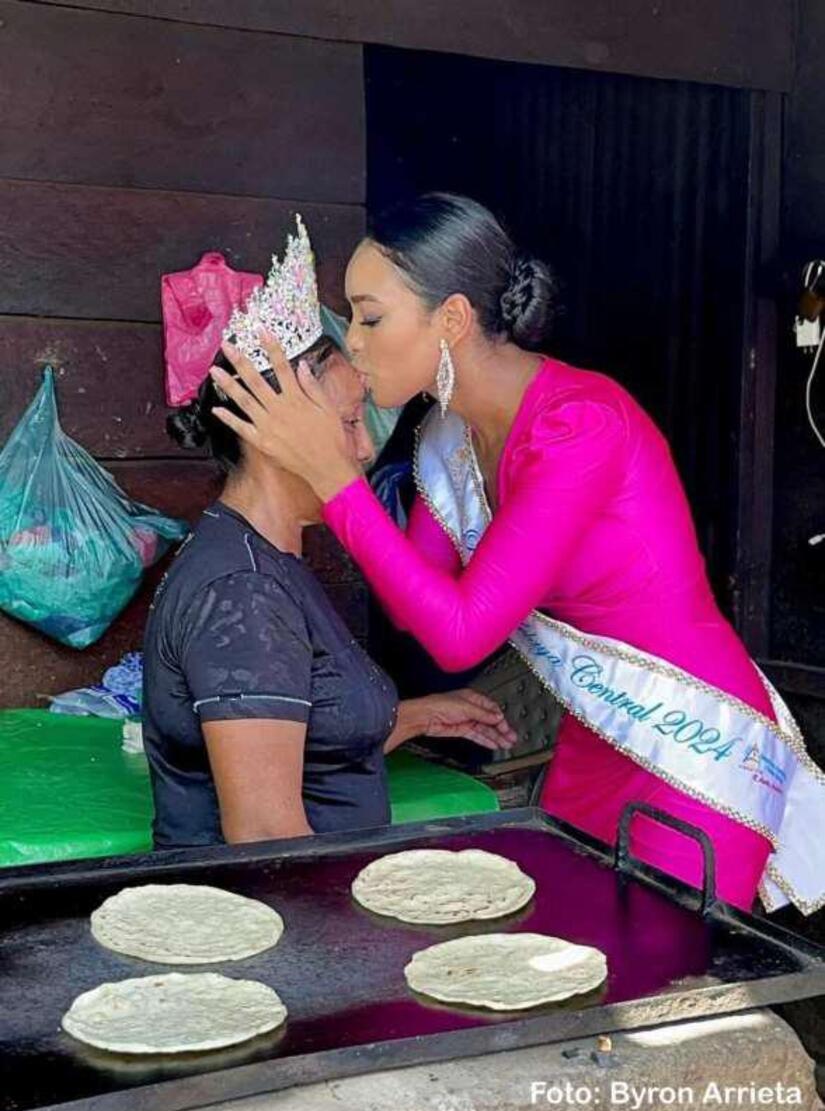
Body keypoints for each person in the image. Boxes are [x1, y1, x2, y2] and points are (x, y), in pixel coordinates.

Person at [208, 194, 825, 915]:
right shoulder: (448, 434)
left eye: (370, 318)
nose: (355, 345)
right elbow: (418, 614)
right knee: (559, 943)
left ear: (451, 319)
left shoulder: (580, 426)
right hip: (598, 734)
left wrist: (333, 478)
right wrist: (323, 472)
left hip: (690, 745)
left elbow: (462, 631)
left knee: (665, 965)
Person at [142, 217, 515, 850]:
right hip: (274, 907)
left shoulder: (264, 559)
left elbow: (301, 736)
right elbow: (266, 837)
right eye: (347, 424)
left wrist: (414, 718)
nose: (366, 449)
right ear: (274, 435)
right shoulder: (242, 593)